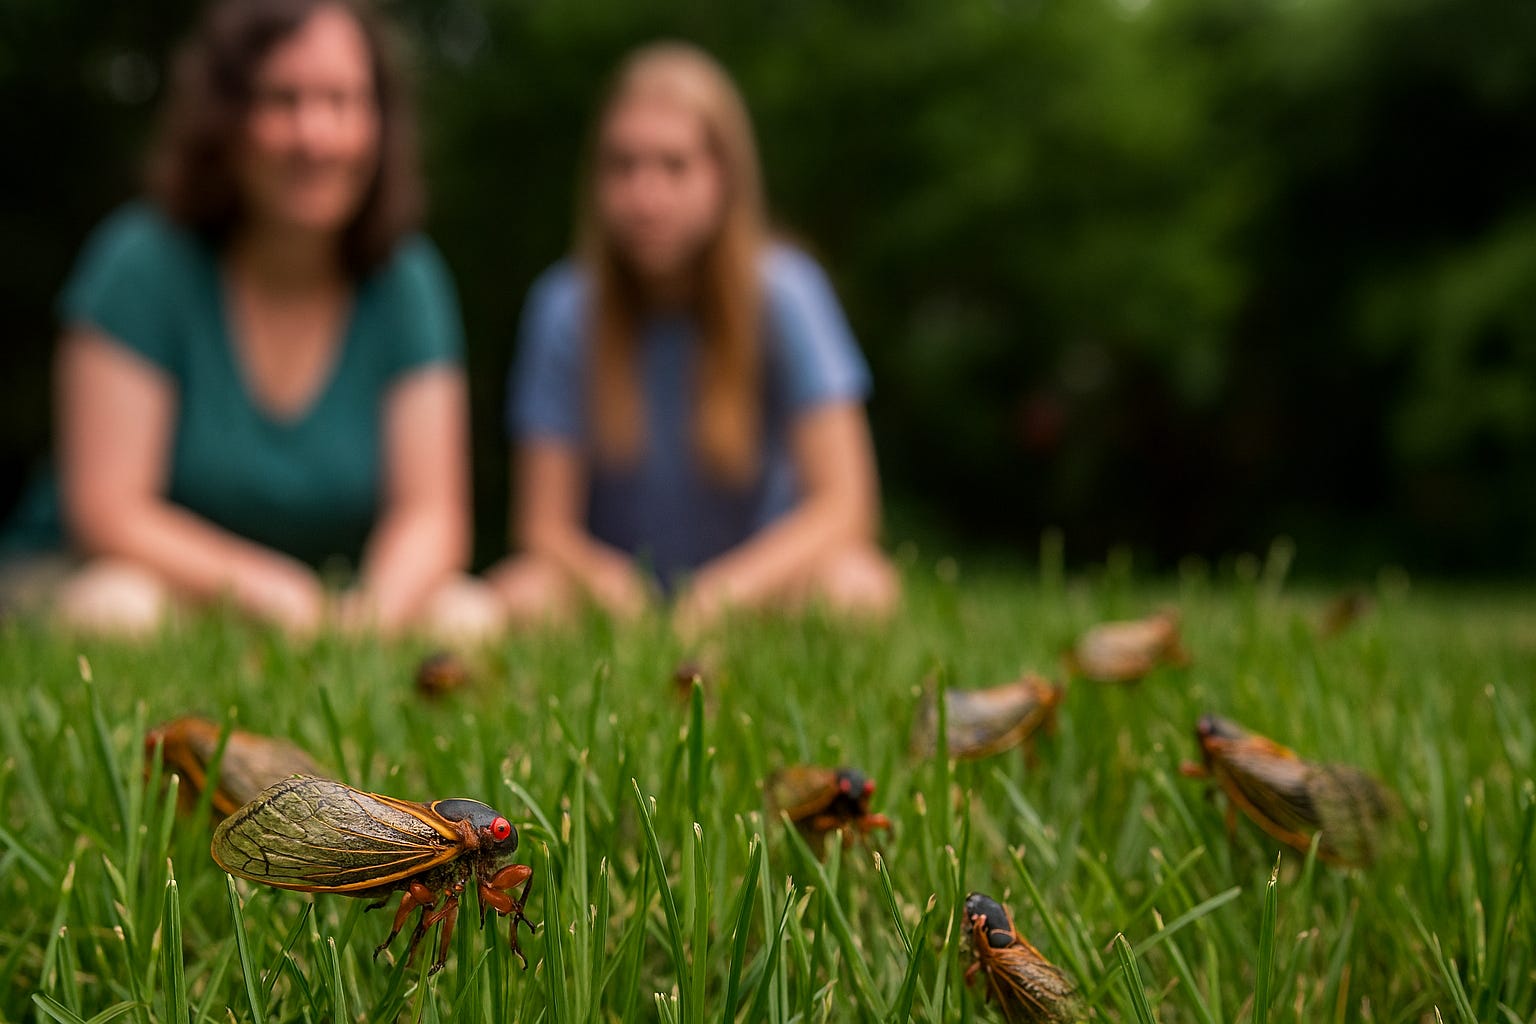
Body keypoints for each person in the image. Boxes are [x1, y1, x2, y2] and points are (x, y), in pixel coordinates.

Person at [0, 0, 497, 639]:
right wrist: (276, 596)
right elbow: (109, 511)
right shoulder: (142, 263)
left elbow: (432, 516)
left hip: (335, 605)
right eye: (283, 100)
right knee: (121, 610)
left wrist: (368, 621)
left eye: (342, 101)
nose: (315, 136)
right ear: (226, 118)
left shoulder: (407, 281)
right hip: (125, 583)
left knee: (468, 615)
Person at [489, 42, 899, 634]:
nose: (645, 195)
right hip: (617, 599)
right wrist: (623, 594)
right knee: (517, 592)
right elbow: (541, 527)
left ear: (723, 176)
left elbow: (847, 506)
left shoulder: (787, 293)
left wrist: (718, 597)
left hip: (763, 590)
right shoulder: (564, 308)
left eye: (674, 166)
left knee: (859, 586)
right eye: (623, 166)